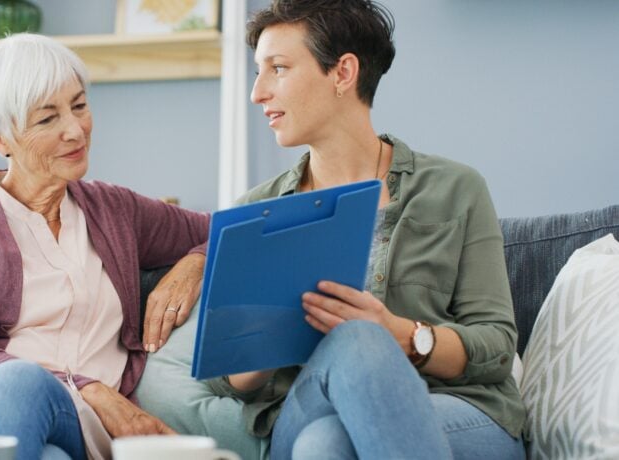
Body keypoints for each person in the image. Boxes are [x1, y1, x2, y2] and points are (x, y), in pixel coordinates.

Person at [139, 1, 527, 459]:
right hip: (307, 408)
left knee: (327, 440)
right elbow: (232, 383)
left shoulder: (455, 188)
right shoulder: (256, 211)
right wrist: (263, 341)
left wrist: (399, 333)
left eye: (278, 68)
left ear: (343, 73)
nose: (258, 93)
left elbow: (496, 347)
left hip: (456, 413)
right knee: (341, 378)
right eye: (258, 72)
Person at [0, 33, 210, 460]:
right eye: (48, 119)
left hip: (80, 424)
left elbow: (228, 232)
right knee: (31, 409)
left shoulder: (115, 210)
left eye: (79, 106)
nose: (75, 130)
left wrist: (195, 264)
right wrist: (91, 390)